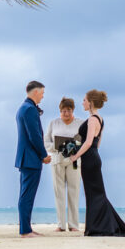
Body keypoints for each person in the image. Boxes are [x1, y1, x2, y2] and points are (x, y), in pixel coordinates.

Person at [68, 89, 125, 237]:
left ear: (91, 102)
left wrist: (76, 156)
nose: (82, 103)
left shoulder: (93, 119)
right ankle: (98, 225)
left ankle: (97, 226)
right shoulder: (100, 119)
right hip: (93, 157)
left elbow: (87, 143)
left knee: (94, 194)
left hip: (89, 158)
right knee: (96, 193)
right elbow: (97, 143)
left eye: (84, 100)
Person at [15, 80, 51, 238]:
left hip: (26, 158)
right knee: (27, 196)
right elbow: (34, 136)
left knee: (26, 195)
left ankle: (27, 227)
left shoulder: (24, 108)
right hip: (30, 159)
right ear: (35, 92)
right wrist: (44, 155)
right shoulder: (29, 109)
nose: (43, 96)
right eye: (42, 93)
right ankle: (25, 231)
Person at [43, 97, 82, 232]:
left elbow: (83, 142)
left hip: (74, 160)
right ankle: (61, 225)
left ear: (73, 110)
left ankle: (73, 225)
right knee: (59, 193)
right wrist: (57, 147)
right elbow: (46, 142)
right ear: (60, 111)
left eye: (69, 110)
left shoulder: (80, 123)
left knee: (74, 191)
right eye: (63, 111)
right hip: (57, 159)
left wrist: (71, 147)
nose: (66, 113)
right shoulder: (53, 123)